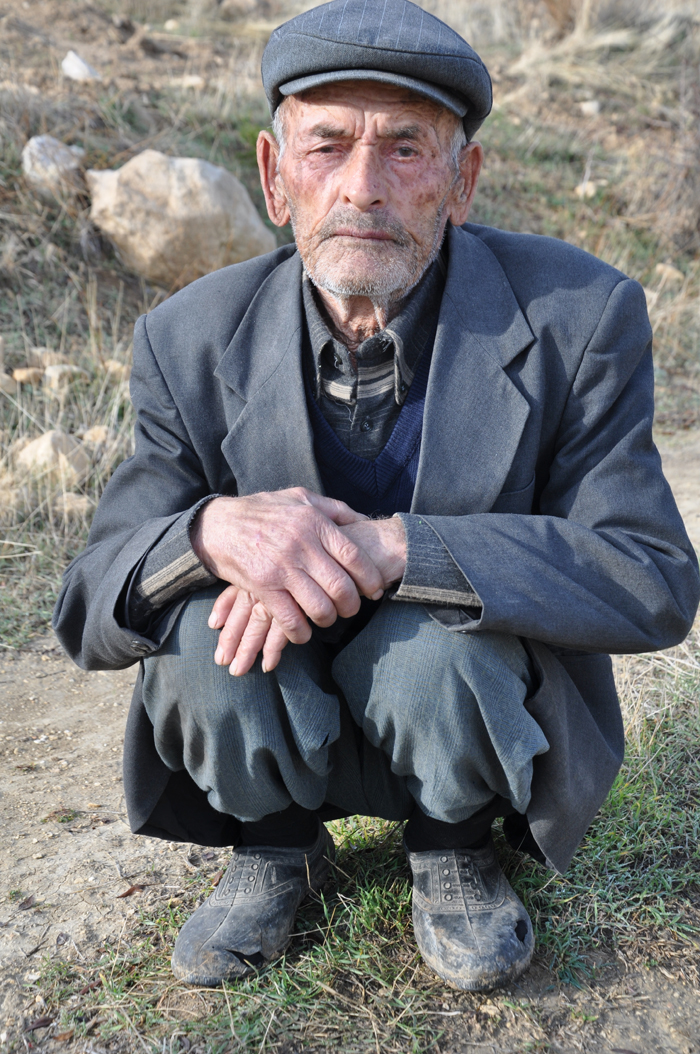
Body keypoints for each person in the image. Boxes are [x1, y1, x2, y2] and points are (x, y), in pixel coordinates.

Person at [54, 0, 699, 993]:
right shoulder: (187, 338)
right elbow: (89, 597)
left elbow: (649, 575)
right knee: (196, 629)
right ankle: (274, 844)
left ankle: (453, 847)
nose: (362, 187)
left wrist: (408, 549)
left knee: (437, 652)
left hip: (460, 708)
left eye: (406, 149)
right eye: (327, 146)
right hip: (280, 698)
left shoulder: (578, 316)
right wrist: (210, 531)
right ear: (274, 178)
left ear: (462, 181)